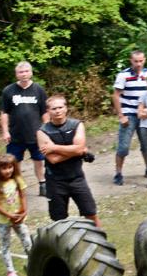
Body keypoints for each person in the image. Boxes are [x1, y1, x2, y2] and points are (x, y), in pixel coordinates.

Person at [36, 94, 100, 227]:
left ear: (66, 108)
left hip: (77, 178)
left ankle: (103, 244)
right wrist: (77, 151)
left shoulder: (77, 125)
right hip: (55, 181)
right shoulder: (42, 132)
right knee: (59, 220)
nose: (57, 111)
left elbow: (79, 148)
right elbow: (53, 159)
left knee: (90, 213)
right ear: (48, 111)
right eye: (54, 108)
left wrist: (54, 147)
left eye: (60, 107)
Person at [0, 61, 49, 197]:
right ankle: (16, 186)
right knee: (14, 163)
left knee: (39, 161)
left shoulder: (39, 90)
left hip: (36, 135)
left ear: (31, 72)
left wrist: (48, 130)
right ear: (16, 74)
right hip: (15, 135)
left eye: (26, 71)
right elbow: (4, 113)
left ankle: (43, 184)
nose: (24, 74)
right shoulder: (8, 91)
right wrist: (5, 131)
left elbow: (45, 112)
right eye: (21, 72)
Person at [0, 153, 33, 276]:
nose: (8, 170)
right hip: (4, 220)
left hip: (19, 218)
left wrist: (24, 211)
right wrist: (9, 215)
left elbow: (23, 195)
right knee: (5, 245)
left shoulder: (17, 179)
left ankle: (32, 265)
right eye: (4, 168)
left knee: (27, 241)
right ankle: (10, 271)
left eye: (10, 167)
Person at [111, 50, 147, 185]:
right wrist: (121, 115)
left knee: (146, 145)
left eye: (141, 61)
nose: (138, 64)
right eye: (136, 61)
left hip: (144, 114)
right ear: (131, 61)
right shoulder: (123, 75)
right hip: (129, 114)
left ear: (144, 60)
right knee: (123, 146)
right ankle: (118, 173)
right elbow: (116, 95)